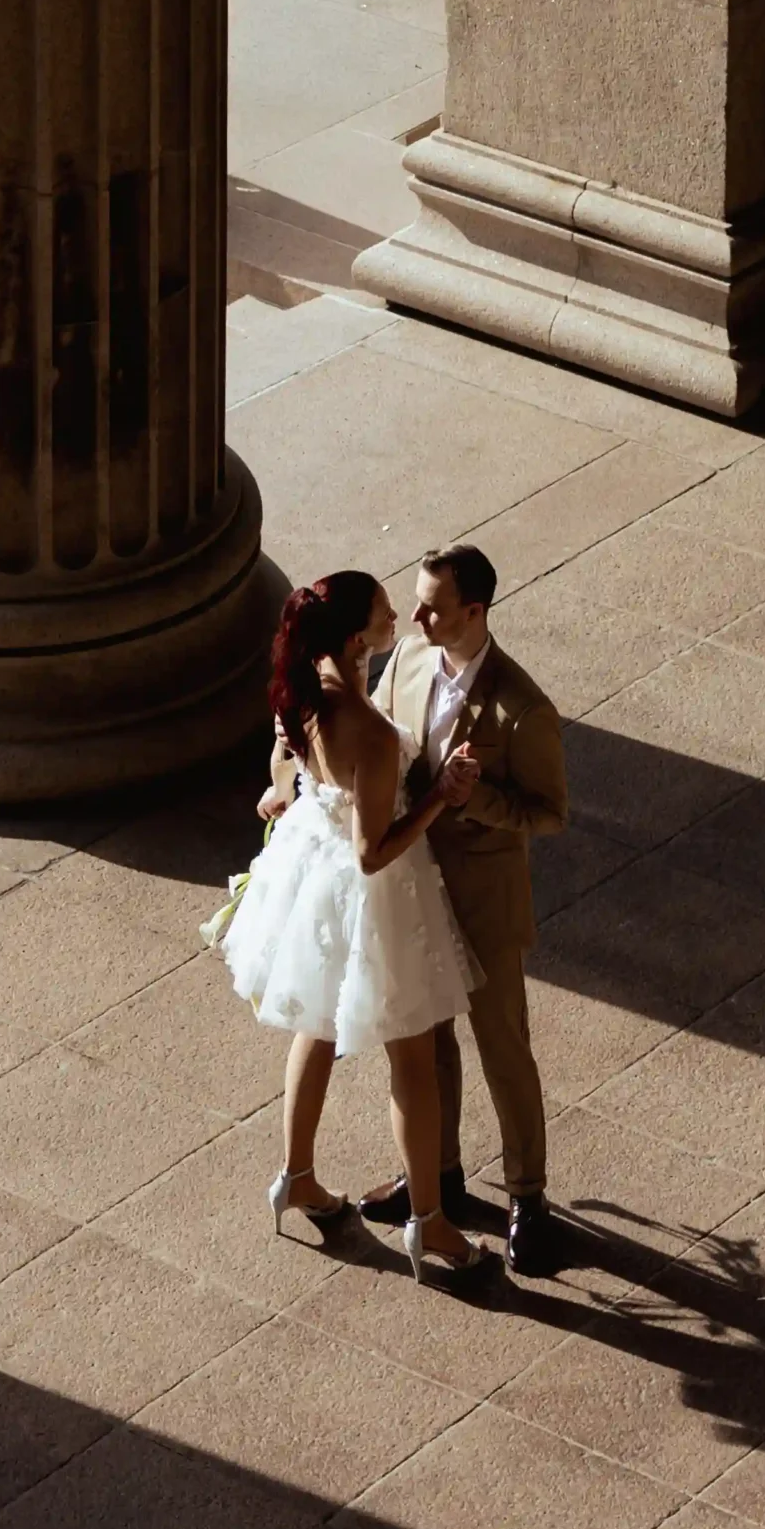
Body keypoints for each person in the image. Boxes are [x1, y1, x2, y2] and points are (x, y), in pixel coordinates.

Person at [218, 571, 491, 1283]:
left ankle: (297, 1177)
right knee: (413, 1059)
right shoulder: (367, 731)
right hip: (374, 895)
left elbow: (289, 763)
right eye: (382, 613)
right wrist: (437, 796)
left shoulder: (306, 684)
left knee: (317, 1028)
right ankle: (428, 1220)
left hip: (316, 876)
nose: (396, 616)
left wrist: (283, 790)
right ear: (354, 635)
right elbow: (375, 851)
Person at [347, 545, 571, 1275]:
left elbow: (548, 814)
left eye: (433, 606)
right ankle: (436, 1177)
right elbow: (382, 737)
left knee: (502, 1046)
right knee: (426, 1036)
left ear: (475, 612)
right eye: (417, 601)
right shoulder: (409, 658)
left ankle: (526, 1199)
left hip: (483, 897)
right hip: (415, 881)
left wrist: (475, 798)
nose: (415, 616)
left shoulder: (523, 706)